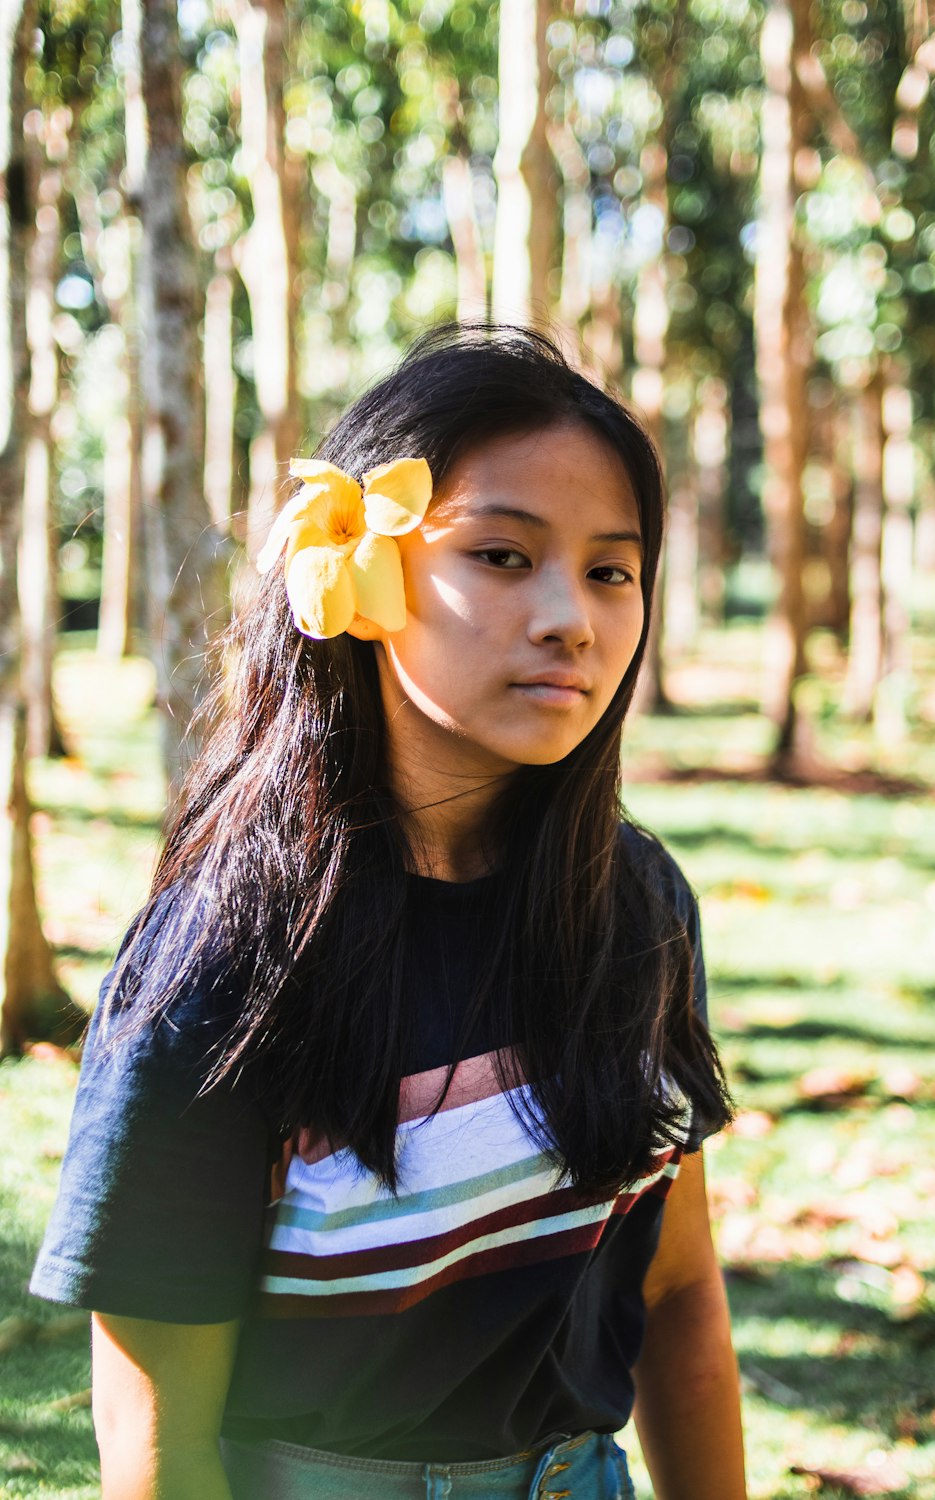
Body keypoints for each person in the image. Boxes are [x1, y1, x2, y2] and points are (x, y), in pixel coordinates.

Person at [31, 324, 746, 1500]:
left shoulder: (635, 908)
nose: (570, 615)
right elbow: (156, 1437)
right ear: (355, 575)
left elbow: (674, 1292)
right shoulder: (228, 959)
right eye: (503, 555)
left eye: (611, 569)